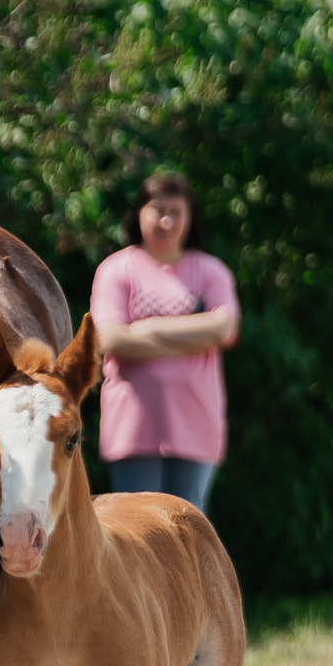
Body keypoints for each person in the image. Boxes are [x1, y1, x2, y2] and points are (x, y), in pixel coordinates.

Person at [89, 172, 240, 512]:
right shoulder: (117, 270)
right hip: (132, 430)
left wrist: (145, 331)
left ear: (190, 218)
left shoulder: (211, 271)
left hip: (197, 429)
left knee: (187, 537)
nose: (167, 221)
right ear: (139, 213)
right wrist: (193, 335)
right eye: (158, 210)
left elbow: (224, 329)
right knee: (136, 535)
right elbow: (110, 338)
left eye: (177, 211)